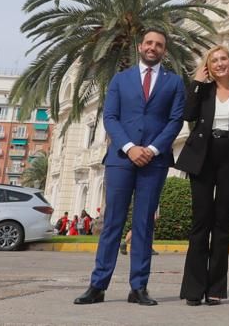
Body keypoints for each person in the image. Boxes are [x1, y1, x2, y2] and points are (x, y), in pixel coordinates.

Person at [74, 28, 185, 308]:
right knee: (112, 222)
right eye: (149, 43)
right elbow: (110, 117)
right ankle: (97, 286)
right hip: (121, 159)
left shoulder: (174, 83)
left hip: (155, 160)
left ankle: (139, 287)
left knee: (144, 225)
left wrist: (151, 149)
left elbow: (175, 121)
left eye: (159, 44)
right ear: (140, 47)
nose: (153, 47)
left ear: (164, 50)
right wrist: (129, 148)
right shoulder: (120, 80)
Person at [175, 45, 229, 306]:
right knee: (201, 222)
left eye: (224, 59)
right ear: (208, 66)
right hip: (203, 157)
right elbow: (188, 115)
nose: (220, 64)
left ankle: (216, 289)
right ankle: (193, 289)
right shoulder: (204, 90)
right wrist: (197, 83)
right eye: (214, 61)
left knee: (222, 225)